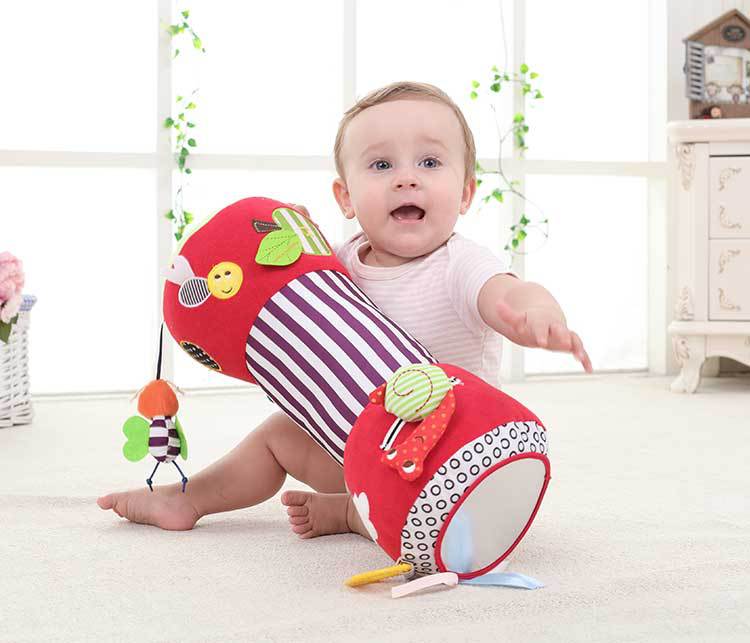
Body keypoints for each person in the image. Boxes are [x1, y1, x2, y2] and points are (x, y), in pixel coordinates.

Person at [97, 81, 591, 538]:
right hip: (356, 450)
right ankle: (189, 499)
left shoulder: (458, 263)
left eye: (430, 163)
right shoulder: (341, 261)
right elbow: (294, 294)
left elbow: (504, 292)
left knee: (412, 485)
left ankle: (355, 513)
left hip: (447, 457)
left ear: (465, 193)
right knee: (277, 436)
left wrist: (535, 314)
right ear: (346, 197)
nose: (406, 180)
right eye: (381, 166)